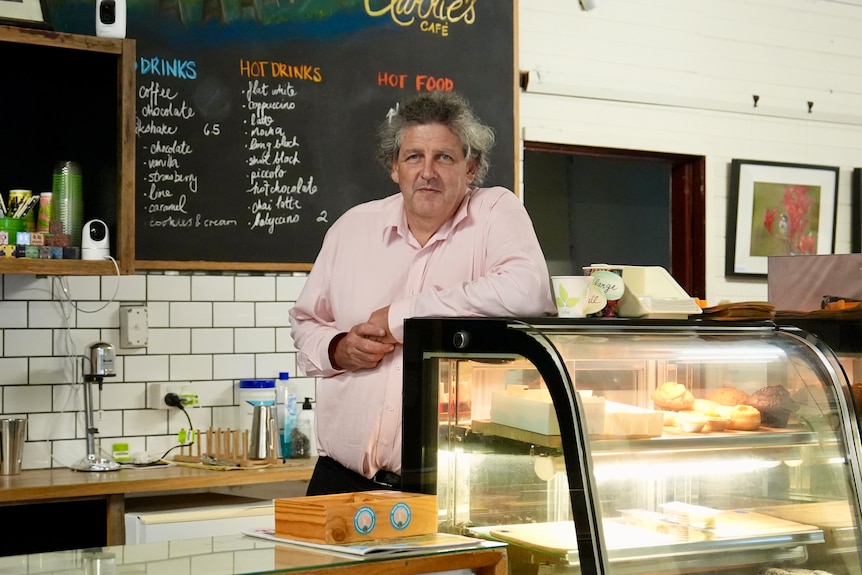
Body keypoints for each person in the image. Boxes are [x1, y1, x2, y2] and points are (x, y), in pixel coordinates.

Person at [288, 90, 556, 496]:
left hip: (448, 491)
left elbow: (528, 292)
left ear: (471, 167)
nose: (427, 171)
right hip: (339, 482)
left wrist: (401, 319)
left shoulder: (495, 212)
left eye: (444, 157)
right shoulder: (351, 229)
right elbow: (306, 323)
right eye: (414, 156)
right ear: (394, 167)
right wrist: (338, 348)